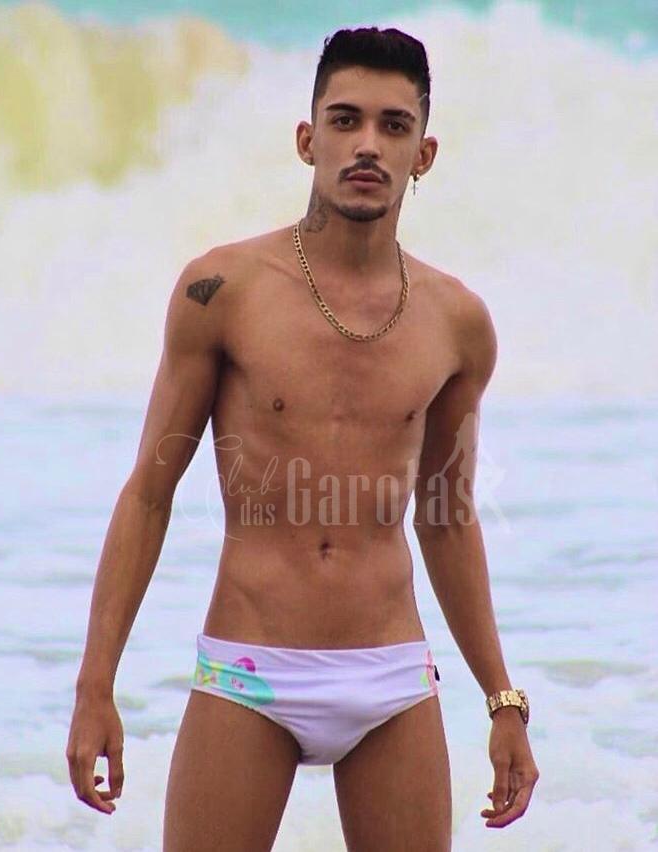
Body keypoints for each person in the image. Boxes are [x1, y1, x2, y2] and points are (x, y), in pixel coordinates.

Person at [66, 25, 539, 851]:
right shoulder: (223, 290)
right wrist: (94, 685)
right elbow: (150, 491)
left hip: (391, 678)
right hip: (248, 670)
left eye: (394, 126)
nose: (367, 145)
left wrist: (502, 700)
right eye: (345, 120)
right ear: (307, 139)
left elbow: (447, 517)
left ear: (424, 154)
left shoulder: (457, 322)